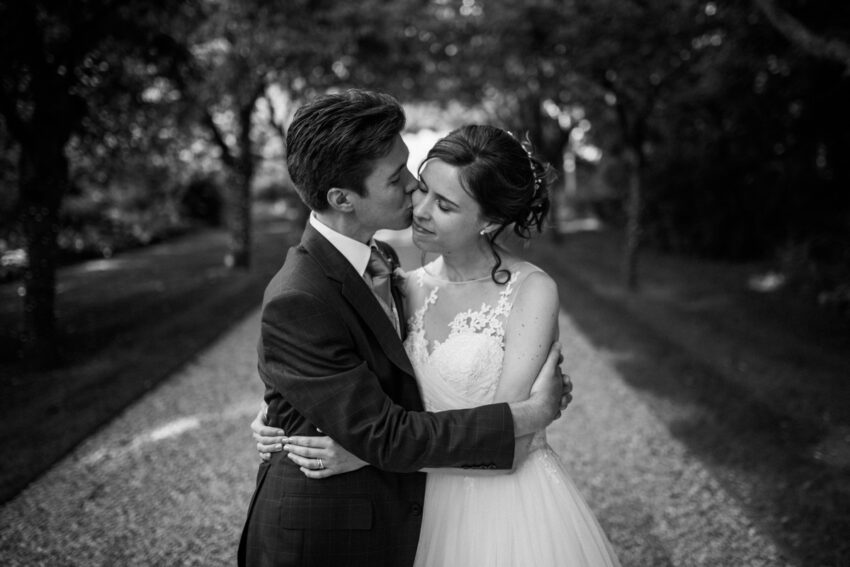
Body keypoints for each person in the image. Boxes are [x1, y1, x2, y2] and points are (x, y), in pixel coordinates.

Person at [256, 124, 621, 566]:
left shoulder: (531, 291)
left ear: (488, 221)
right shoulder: (403, 284)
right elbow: (353, 372)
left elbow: (511, 447)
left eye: (445, 205)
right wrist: (285, 411)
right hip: (416, 506)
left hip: (503, 513)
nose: (421, 209)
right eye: (423, 189)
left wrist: (369, 457)